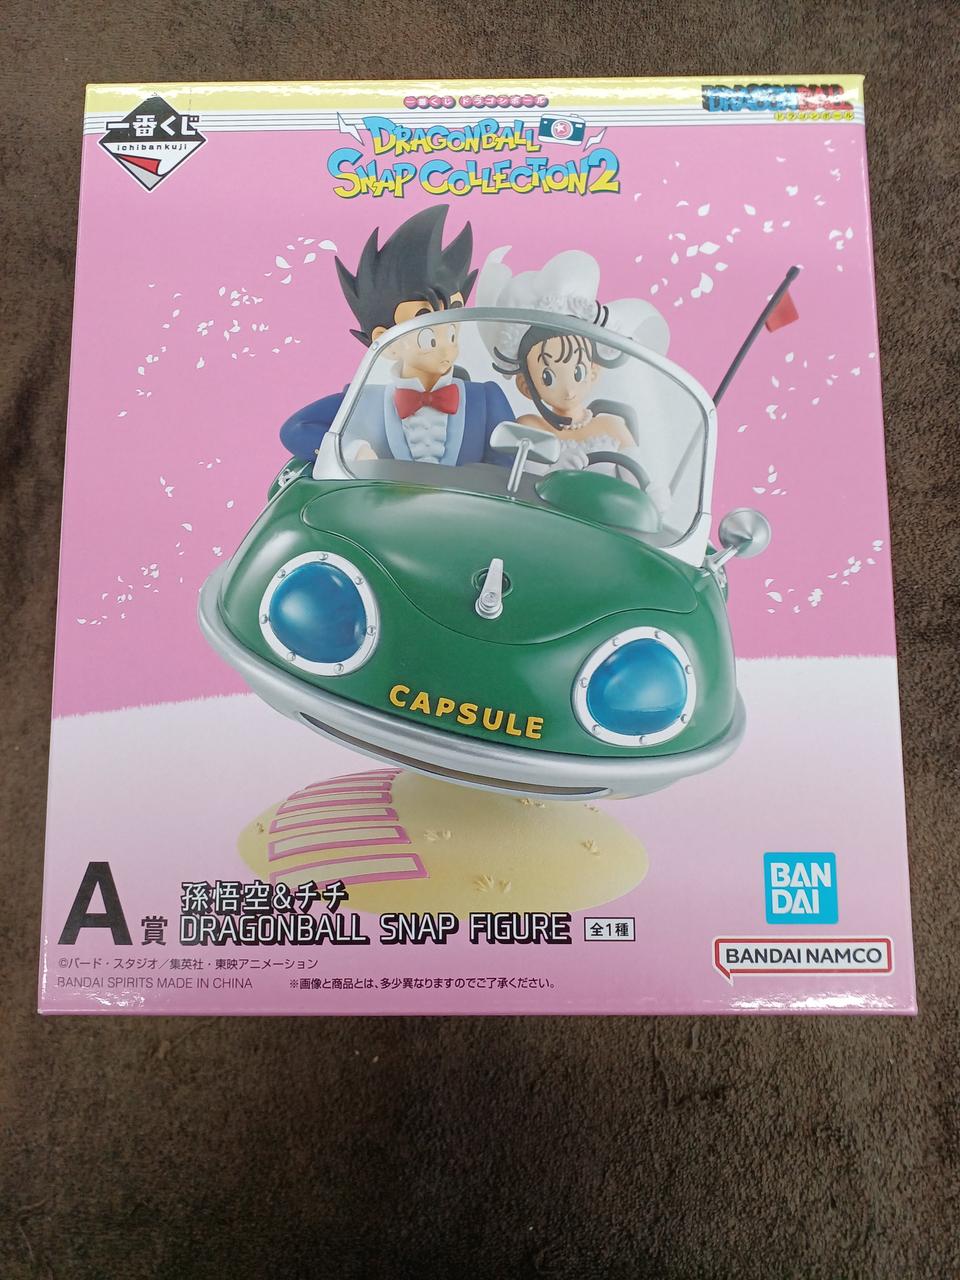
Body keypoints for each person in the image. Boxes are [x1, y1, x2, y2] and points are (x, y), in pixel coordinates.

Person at [280, 206, 512, 467]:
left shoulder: (486, 400)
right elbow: (296, 429)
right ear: (386, 342)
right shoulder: (363, 401)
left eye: (452, 333)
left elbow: (511, 464)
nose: (447, 350)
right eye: (429, 339)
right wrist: (352, 450)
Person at [476, 247, 670, 476]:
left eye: (577, 372)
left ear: (593, 370)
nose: (568, 389)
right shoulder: (529, 427)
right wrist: (554, 471)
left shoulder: (612, 426)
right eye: (548, 377)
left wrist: (654, 490)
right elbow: (521, 482)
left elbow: (641, 481)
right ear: (526, 385)